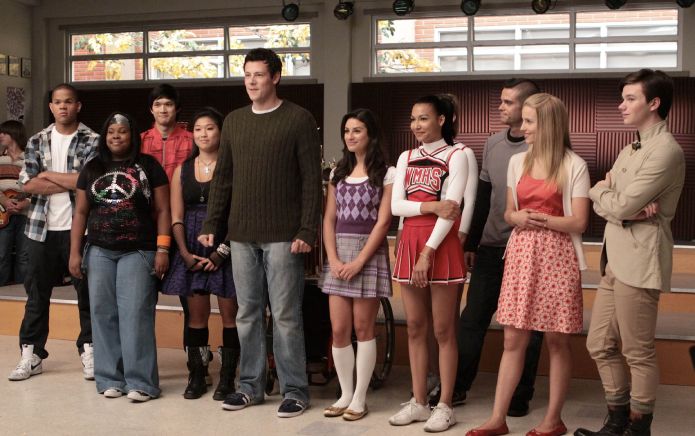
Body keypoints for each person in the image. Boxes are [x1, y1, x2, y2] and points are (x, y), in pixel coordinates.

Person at [199, 48, 321, 418]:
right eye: (247, 74)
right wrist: (212, 224)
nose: (251, 81)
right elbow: (223, 178)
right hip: (241, 235)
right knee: (247, 313)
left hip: (284, 235)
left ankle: (295, 390)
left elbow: (311, 180)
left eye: (259, 75)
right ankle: (250, 386)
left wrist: (307, 229)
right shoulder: (235, 121)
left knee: (285, 315)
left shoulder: (298, 118)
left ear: (276, 77)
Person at [466, 93, 590, 436]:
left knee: (557, 341)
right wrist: (517, 217)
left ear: (548, 125)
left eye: (530, 121)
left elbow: (579, 222)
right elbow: (509, 212)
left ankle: (553, 420)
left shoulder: (574, 165)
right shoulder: (517, 162)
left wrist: (541, 220)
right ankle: (498, 419)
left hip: (558, 256)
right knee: (512, 339)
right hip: (521, 254)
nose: (523, 127)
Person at [575, 69, 685, 436]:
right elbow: (614, 202)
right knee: (599, 343)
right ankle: (616, 421)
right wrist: (611, 200)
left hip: (640, 259)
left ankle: (638, 428)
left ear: (654, 103)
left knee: (638, 351)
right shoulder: (630, 147)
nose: (622, 105)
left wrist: (604, 195)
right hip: (615, 259)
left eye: (630, 99)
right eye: (622, 98)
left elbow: (618, 204)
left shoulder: (666, 150)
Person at [455, 79, 544, 415]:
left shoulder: (544, 147)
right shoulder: (493, 143)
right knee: (472, 319)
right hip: (491, 248)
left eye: (508, 102)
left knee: (527, 327)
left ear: (528, 105)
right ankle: (457, 386)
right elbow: (483, 197)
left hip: (528, 250)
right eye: (501, 101)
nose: (501, 107)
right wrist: (472, 241)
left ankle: (520, 395)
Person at [69, 112, 170, 402]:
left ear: (132, 135)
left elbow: (163, 210)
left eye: (122, 131)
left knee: (135, 314)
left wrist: (163, 249)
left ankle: (141, 382)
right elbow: (80, 213)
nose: (116, 136)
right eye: (111, 131)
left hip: (138, 250)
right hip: (99, 250)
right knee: (102, 314)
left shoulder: (148, 165)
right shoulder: (92, 167)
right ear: (104, 136)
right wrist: (74, 252)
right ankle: (109, 378)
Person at [389, 94, 471, 433]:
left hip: (441, 243)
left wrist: (428, 251)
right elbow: (396, 206)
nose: (416, 125)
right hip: (410, 239)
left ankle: (446, 404)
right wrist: (429, 207)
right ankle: (419, 401)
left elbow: (451, 210)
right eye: (413, 119)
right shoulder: (406, 157)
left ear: (441, 120)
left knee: (443, 329)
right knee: (415, 326)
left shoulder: (457, 155)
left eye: (423, 118)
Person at [8, 84, 98, 382]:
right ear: (51, 107)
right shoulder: (37, 140)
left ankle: (90, 349)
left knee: (87, 294)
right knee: (36, 295)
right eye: (58, 102)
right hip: (40, 230)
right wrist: (70, 180)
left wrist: (46, 175)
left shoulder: (93, 140)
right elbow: (26, 183)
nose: (63, 107)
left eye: (69, 102)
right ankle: (31, 354)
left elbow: (91, 181)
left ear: (78, 105)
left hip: (80, 230)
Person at [319, 108, 394, 421]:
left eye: (357, 130)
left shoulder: (386, 173)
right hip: (338, 255)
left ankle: (360, 398)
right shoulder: (337, 173)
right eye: (347, 130)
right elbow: (329, 219)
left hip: (368, 254)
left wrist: (360, 261)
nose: (350, 136)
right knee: (339, 330)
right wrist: (333, 258)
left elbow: (384, 222)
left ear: (371, 134)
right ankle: (345, 393)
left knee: (364, 328)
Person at [162, 107, 239, 401]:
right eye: (198, 129)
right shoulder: (182, 170)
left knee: (231, 316)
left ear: (221, 132)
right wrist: (183, 252)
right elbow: (176, 216)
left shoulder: (233, 167)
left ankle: (227, 378)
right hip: (191, 249)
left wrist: (221, 253)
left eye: (210, 128)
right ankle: (197, 375)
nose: (203, 134)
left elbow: (238, 214)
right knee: (196, 317)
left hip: (227, 247)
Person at [0, 120, 30, 285]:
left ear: (14, 134)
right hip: (2, 213)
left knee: (24, 256)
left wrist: (27, 202)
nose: (0, 136)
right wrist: (4, 200)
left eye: (4, 133)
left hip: (25, 214)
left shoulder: (30, 159)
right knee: (1, 255)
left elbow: (37, 187)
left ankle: (21, 293)